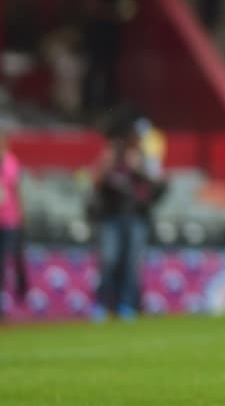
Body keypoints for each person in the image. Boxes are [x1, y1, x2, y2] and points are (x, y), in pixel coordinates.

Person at [88, 128, 166, 321]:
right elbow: (95, 184)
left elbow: (158, 186)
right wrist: (107, 163)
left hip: (136, 218)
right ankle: (103, 304)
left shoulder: (143, 163)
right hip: (110, 218)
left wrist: (138, 168)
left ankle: (127, 304)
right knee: (109, 260)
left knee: (131, 264)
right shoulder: (109, 163)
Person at [0, 128, 27, 319]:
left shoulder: (11, 162)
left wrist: (21, 215)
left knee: (6, 262)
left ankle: (11, 301)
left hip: (9, 220)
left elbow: (16, 191)